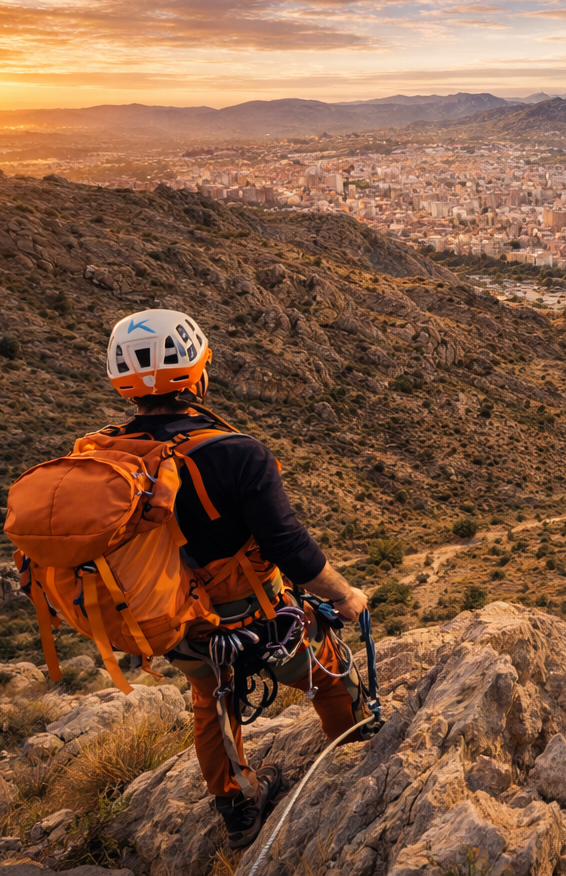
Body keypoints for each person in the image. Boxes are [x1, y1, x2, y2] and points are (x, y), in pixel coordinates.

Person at [101, 309, 374, 849]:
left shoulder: (107, 456)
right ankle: (354, 745)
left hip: (171, 625)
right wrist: (345, 596)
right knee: (328, 670)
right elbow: (288, 548)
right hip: (254, 621)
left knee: (211, 698)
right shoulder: (235, 452)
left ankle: (237, 809)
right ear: (197, 373)